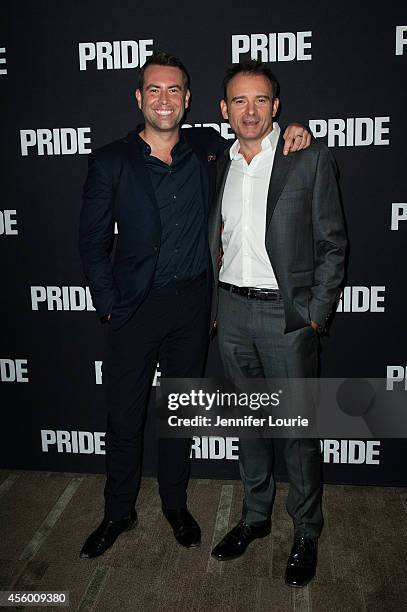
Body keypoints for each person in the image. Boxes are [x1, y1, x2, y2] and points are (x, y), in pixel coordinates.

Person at [78, 51, 312, 559]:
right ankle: (118, 511)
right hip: (133, 310)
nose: (164, 100)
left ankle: (174, 504)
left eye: (174, 91)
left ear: (188, 101)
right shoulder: (111, 160)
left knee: (178, 416)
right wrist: (110, 306)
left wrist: (297, 127)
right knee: (124, 419)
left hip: (192, 308)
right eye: (153, 90)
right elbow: (92, 241)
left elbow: (261, 134)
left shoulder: (209, 148)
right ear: (140, 99)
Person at [209, 60, 347, 587]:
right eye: (239, 101)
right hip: (233, 312)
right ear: (223, 110)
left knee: (296, 434)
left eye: (260, 100)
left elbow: (333, 241)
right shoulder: (215, 163)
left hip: (287, 318)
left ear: (276, 106)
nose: (250, 110)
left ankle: (306, 529)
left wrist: (315, 314)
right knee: (249, 426)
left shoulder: (305, 157)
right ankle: (254, 517)